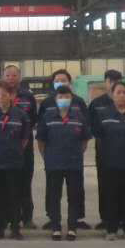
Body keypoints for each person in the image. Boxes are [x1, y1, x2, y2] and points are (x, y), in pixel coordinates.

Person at [36, 69, 88, 231]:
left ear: (70, 82)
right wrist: (46, 155)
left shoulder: (79, 102)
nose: (60, 82)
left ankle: (76, 218)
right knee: (53, 191)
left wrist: (77, 152)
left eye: (63, 80)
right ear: (53, 83)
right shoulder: (47, 103)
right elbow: (41, 133)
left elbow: (85, 131)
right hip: (54, 156)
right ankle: (53, 219)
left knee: (76, 190)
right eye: (57, 80)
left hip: (73, 156)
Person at [94, 80, 125, 239]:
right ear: (112, 95)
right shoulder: (104, 114)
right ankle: (111, 230)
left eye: (124, 93)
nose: (122, 95)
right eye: (118, 92)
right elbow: (99, 137)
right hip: (110, 163)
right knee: (111, 196)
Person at [0, 81, 30, 239]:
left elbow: (24, 139)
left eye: (4, 94)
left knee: (15, 196)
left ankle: (15, 228)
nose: (0, 97)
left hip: (14, 162)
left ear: (10, 95)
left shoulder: (21, 115)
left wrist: (13, 151)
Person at [89, 69, 123, 232]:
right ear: (106, 83)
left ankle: (122, 217)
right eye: (111, 81)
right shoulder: (97, 103)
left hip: (122, 150)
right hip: (103, 149)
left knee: (121, 185)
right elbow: (91, 125)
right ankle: (105, 218)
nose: (115, 84)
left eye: (118, 81)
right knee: (104, 184)